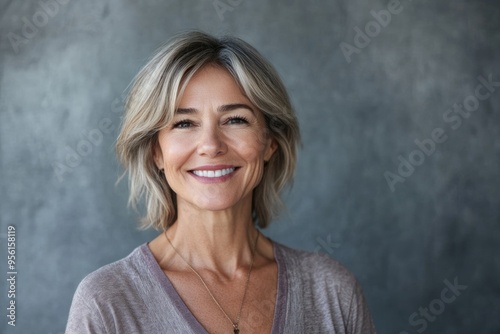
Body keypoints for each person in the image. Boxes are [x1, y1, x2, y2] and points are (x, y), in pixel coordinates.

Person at [66, 31, 377, 334]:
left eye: (235, 120)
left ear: (270, 142)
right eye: (184, 123)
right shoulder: (105, 303)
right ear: (156, 152)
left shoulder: (332, 292)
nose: (211, 145)